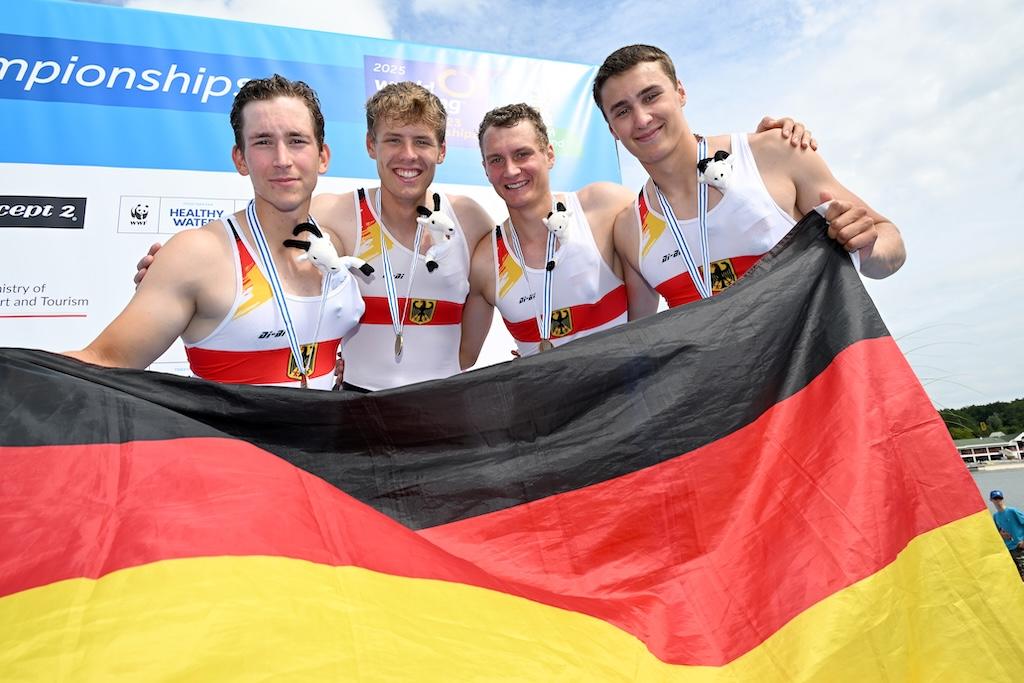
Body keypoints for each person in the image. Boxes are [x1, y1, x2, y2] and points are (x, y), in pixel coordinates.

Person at [66, 75, 364, 390]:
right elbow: (104, 361)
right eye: (263, 142)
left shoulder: (341, 240)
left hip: (328, 422)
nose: (282, 160)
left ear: (322, 157)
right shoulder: (199, 254)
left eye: (296, 141)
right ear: (240, 159)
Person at [459, 103, 819, 363]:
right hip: (548, 420)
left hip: (626, 404)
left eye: (522, 154)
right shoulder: (485, 260)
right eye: (496, 160)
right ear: (485, 169)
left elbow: (683, 201)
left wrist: (769, 150)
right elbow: (458, 359)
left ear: (549, 155)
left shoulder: (604, 207)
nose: (511, 170)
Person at [593, 45, 906, 312]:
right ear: (611, 130)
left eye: (651, 96)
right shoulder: (630, 228)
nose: (642, 119)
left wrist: (867, 247)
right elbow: (639, 341)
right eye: (622, 111)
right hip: (720, 370)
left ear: (680, 92)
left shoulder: (772, 152)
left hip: (818, 363)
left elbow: (890, 242)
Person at [989, 489, 1024, 580]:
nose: (998, 501)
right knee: (1016, 577)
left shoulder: (1012, 511)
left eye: (999, 498)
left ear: (1002, 499)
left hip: (1019, 548)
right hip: (1008, 551)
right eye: (995, 499)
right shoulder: (995, 516)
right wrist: (1001, 534)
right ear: (991, 500)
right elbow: (997, 533)